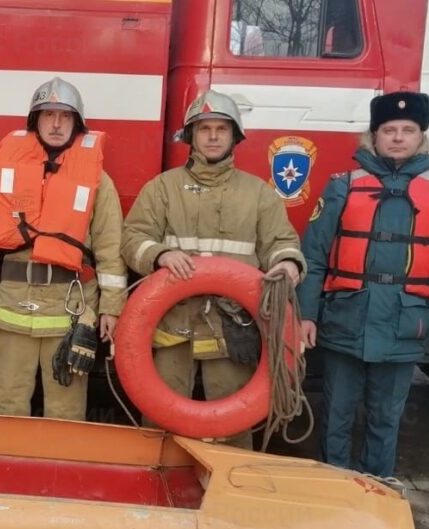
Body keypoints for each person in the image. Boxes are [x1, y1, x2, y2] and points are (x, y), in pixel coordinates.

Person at [297, 91, 429, 477]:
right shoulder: (342, 185)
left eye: (407, 130)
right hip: (346, 319)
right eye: (388, 129)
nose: (397, 137)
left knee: (385, 418)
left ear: (421, 136)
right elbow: (312, 256)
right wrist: (305, 314)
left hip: (403, 326)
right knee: (336, 415)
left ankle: (377, 489)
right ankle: (331, 486)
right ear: (373, 136)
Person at [121, 88, 305, 447]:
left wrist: (287, 264)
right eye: (205, 128)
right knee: (161, 421)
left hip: (231, 328)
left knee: (232, 423)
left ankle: (230, 495)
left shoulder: (258, 194)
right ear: (192, 135)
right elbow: (133, 238)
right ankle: (156, 492)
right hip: (172, 323)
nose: (213, 136)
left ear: (234, 136)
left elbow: (281, 241)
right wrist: (159, 255)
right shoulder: (162, 188)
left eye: (222, 128)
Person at [0, 77, 127, 420]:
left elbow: (111, 250)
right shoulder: (5, 177)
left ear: (76, 125)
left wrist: (111, 307)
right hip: (11, 307)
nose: (55, 124)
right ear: (34, 122)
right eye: (48, 115)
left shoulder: (99, 181)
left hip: (70, 310)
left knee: (66, 411)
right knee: (5, 405)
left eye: (64, 117)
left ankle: (60, 474)